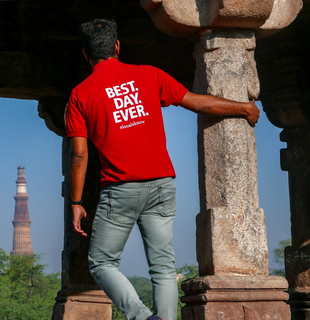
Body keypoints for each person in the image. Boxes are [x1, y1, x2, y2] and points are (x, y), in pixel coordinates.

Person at [65, 19, 260, 320]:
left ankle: (142, 317)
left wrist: (77, 203)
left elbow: (79, 155)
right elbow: (197, 102)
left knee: (102, 264)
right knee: (163, 266)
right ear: (117, 46)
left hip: (121, 190)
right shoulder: (149, 75)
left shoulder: (80, 94)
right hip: (161, 186)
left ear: (85, 54)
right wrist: (243, 107)